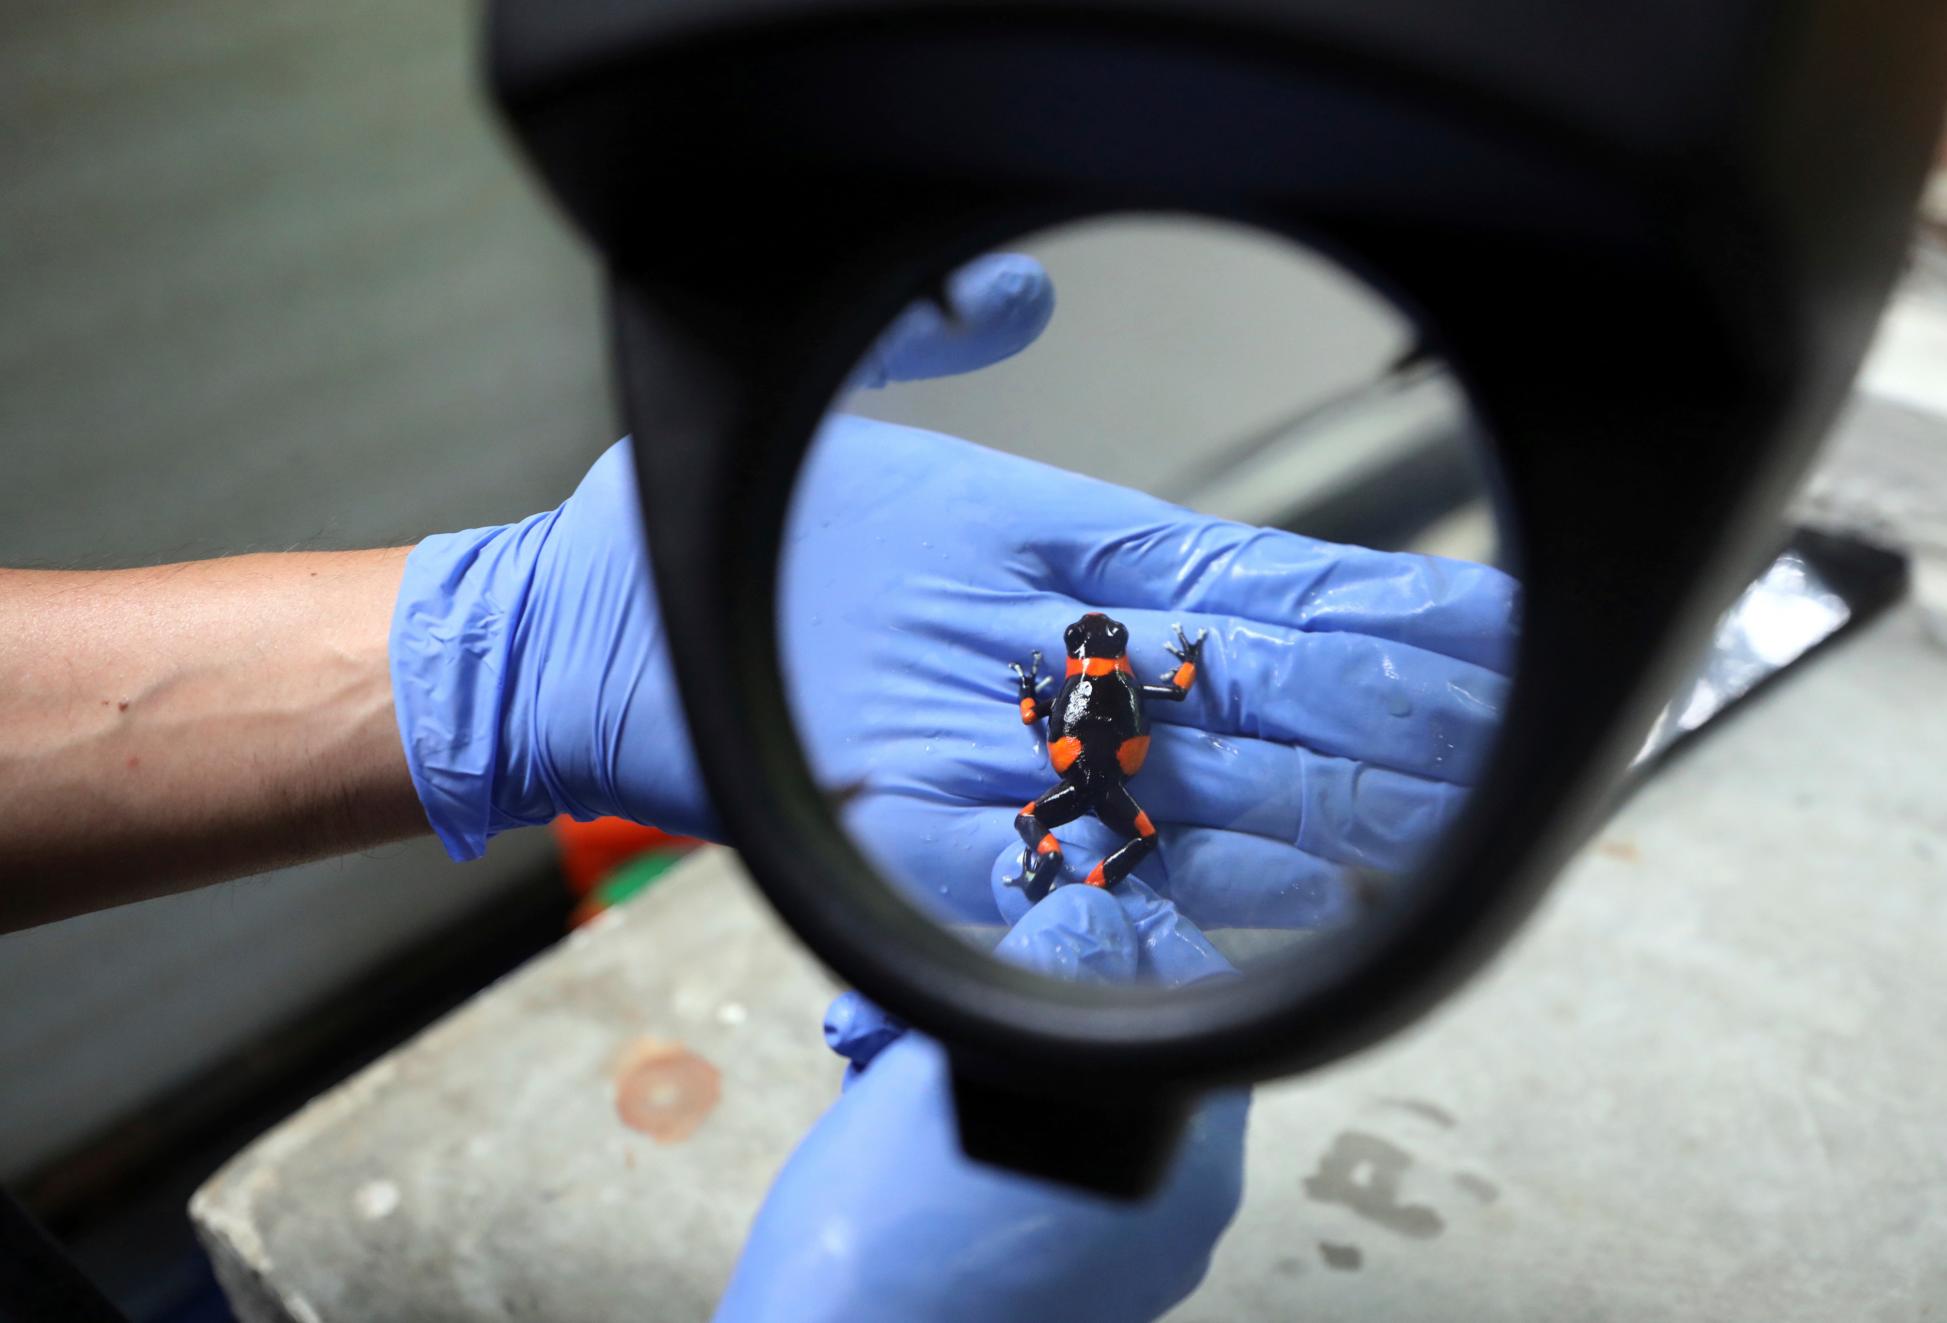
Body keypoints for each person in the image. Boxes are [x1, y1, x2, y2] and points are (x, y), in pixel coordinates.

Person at [0, 257, 1517, 1321]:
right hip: (1079, 788)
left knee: (1107, 840)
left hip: (1092, 789)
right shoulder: (1087, 698)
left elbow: (1143, 705)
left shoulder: (1111, 694)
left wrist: (496, 637)